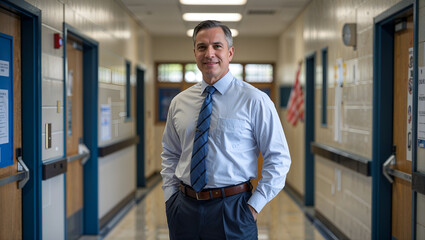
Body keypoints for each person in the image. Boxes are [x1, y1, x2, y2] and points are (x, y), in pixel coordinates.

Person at [161, 20, 291, 240]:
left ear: (230, 53)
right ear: (195, 53)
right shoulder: (180, 102)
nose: (209, 53)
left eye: (217, 46)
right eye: (202, 47)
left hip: (233, 210)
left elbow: (278, 159)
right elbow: (170, 153)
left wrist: (253, 208)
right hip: (184, 210)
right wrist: (171, 198)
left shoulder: (255, 100)